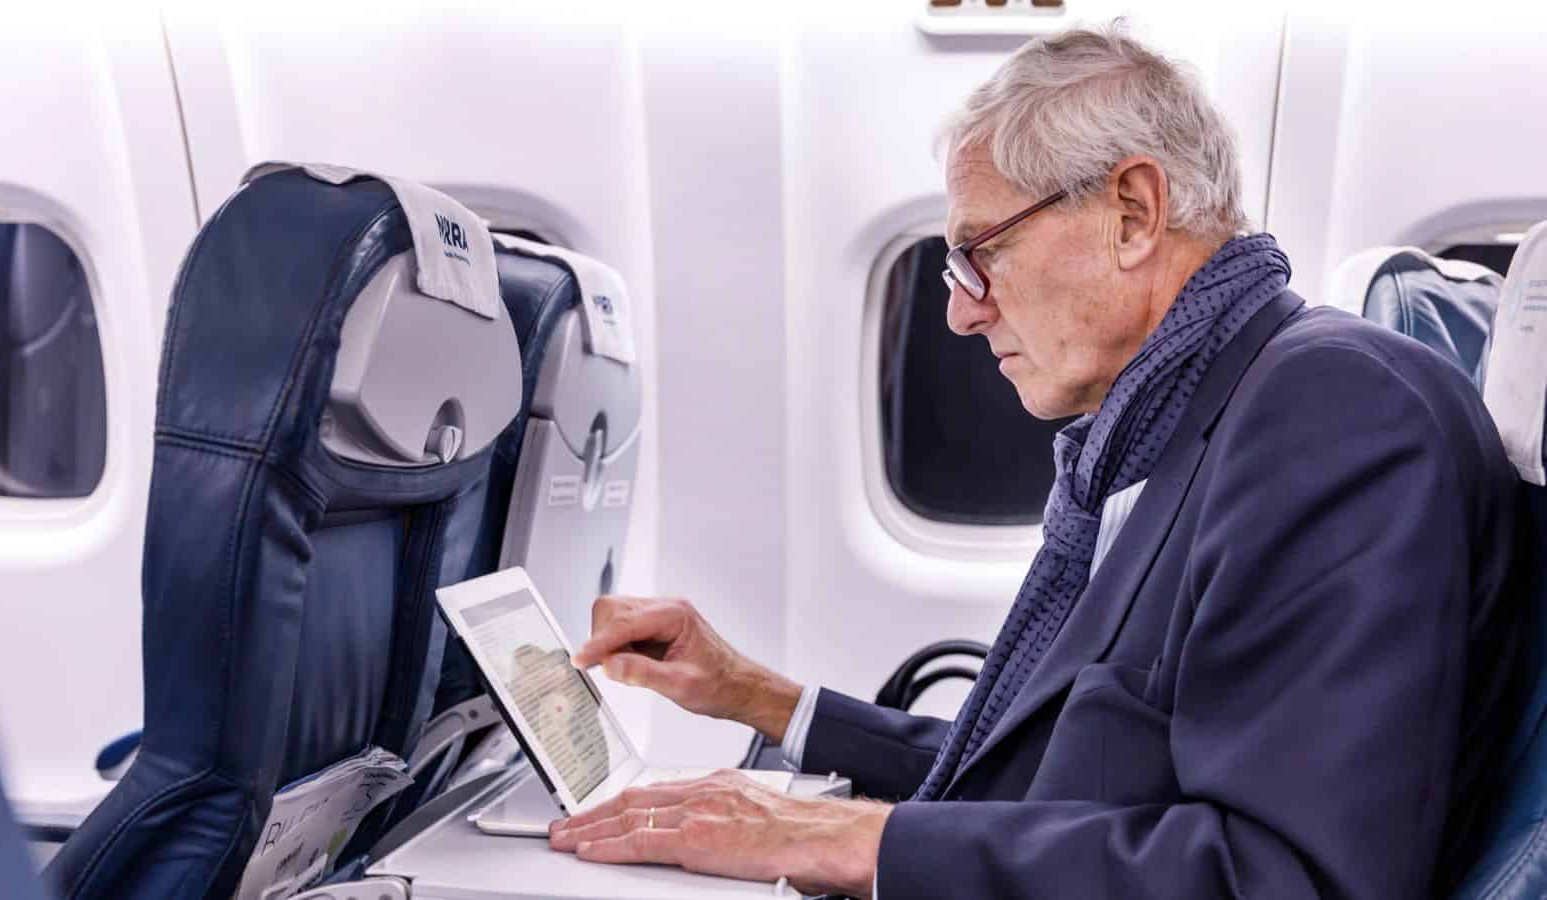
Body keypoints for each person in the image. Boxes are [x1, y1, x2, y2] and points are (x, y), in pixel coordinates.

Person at [546, 23, 1522, 899]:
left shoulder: (1336, 415)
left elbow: (1278, 874)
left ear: (1134, 213)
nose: (960, 310)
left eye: (981, 253)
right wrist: (759, 698)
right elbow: (1043, 773)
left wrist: (852, 839)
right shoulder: (1168, 437)